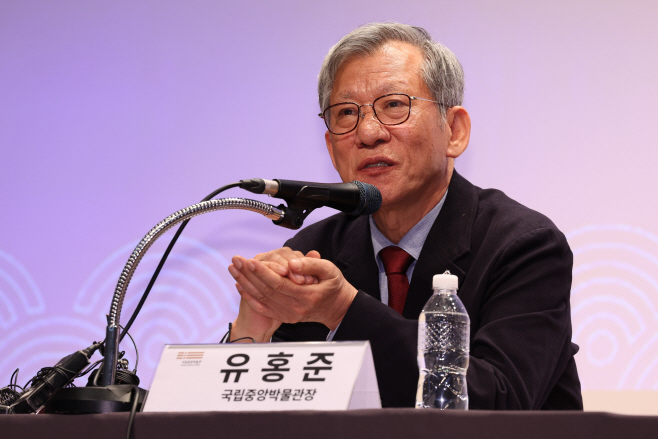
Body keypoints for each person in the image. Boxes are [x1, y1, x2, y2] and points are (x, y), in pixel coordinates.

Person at [226, 22, 582, 409]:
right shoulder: (313, 251)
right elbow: (251, 418)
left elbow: (499, 404)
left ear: (454, 131)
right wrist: (251, 332)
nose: (368, 132)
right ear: (330, 147)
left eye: (394, 105)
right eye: (346, 112)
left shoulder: (524, 247)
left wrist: (343, 310)